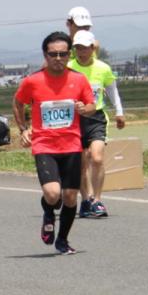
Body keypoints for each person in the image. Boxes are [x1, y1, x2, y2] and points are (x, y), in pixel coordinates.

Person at [12, 31, 96, 255]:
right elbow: (18, 103)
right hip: (44, 145)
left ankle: (63, 240)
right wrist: (23, 129)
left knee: (69, 196)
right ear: (45, 55)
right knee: (52, 194)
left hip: (71, 145)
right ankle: (48, 212)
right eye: (53, 54)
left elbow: (92, 106)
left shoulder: (78, 79)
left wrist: (83, 108)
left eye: (63, 54)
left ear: (69, 55)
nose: (58, 58)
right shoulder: (33, 81)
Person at [67, 30, 125, 218]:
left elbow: (112, 90)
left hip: (96, 118)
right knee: (82, 162)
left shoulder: (103, 68)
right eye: (78, 48)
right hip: (75, 119)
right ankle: (86, 199)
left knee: (97, 158)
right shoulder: (68, 68)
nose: (81, 52)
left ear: (93, 48)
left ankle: (97, 200)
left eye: (84, 48)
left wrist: (119, 112)